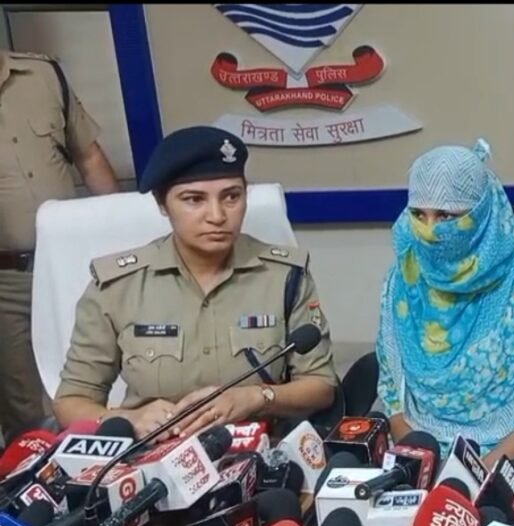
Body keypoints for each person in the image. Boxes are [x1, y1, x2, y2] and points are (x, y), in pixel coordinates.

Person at [53, 126, 337, 441]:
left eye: (231, 196)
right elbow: (71, 401)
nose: (217, 215)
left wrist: (257, 397)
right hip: (151, 454)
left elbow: (321, 386)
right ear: (162, 204)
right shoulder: (118, 286)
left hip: (260, 450)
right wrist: (128, 418)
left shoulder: (285, 276)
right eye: (194, 199)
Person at [376, 139, 514, 487]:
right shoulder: (403, 279)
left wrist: (472, 474)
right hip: (423, 456)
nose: (430, 231)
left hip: (508, 458)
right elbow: (392, 388)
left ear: (480, 214)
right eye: (419, 215)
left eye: (446, 216)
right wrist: (419, 459)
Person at [0, 49, 118, 440]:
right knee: (26, 408)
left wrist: (122, 238)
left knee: (94, 383)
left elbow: (89, 157)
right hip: (7, 281)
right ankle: (33, 475)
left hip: (72, 266)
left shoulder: (43, 74)